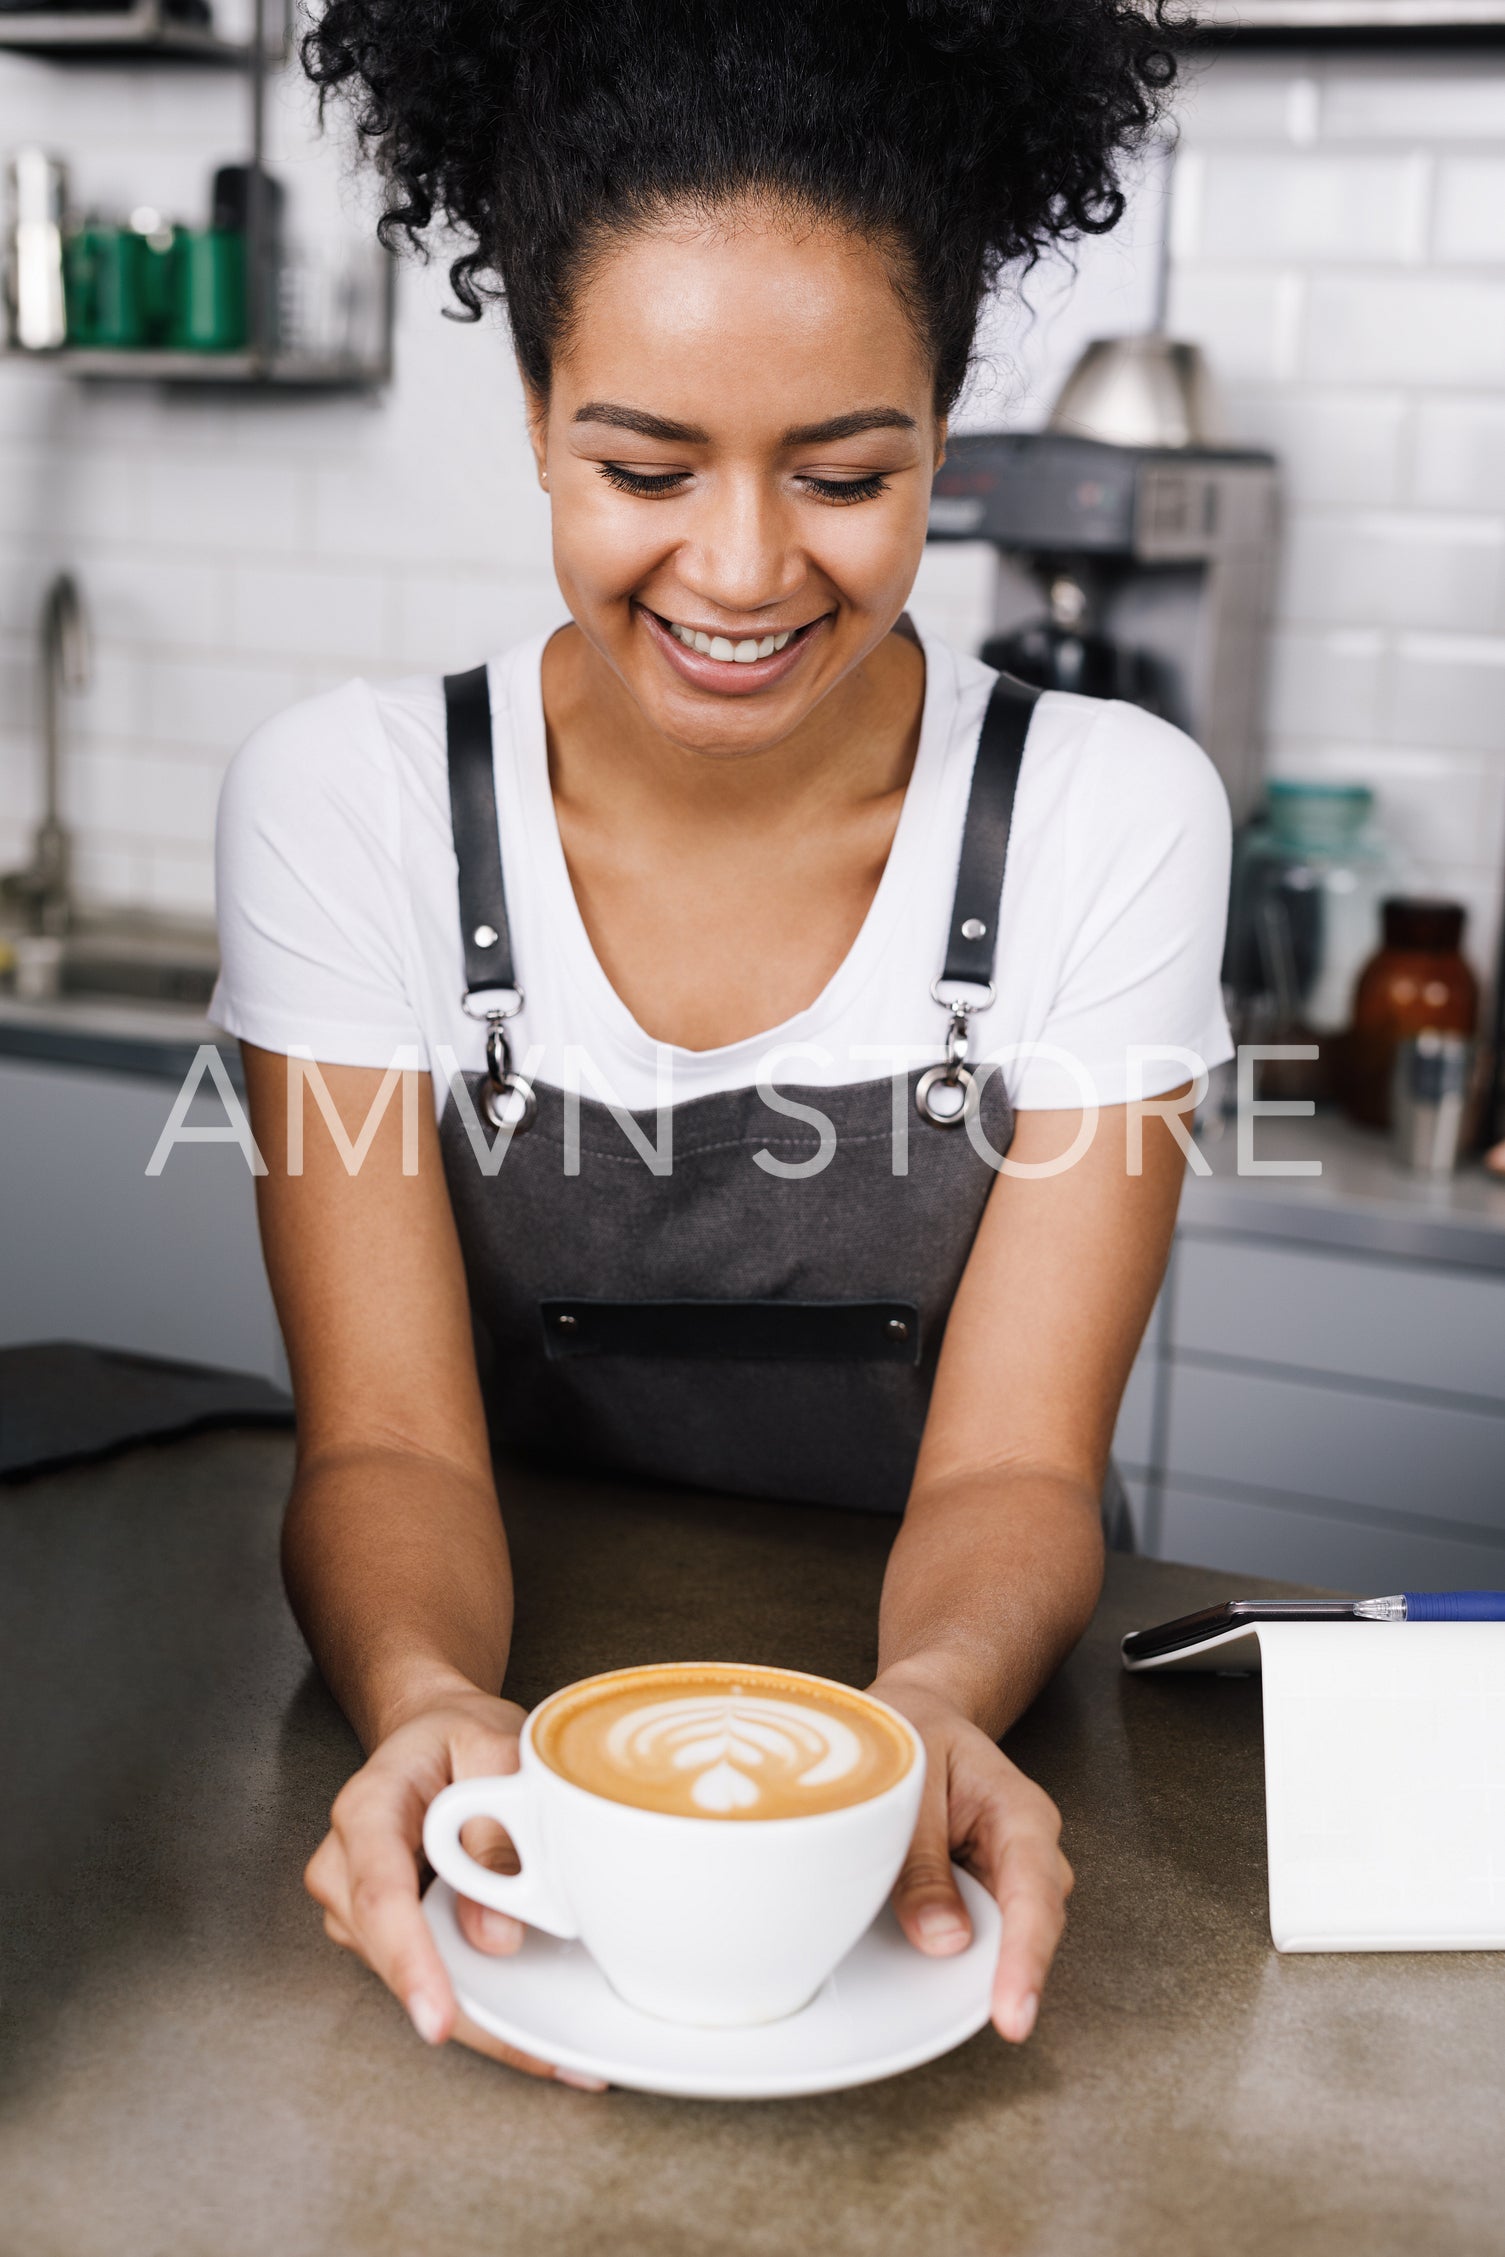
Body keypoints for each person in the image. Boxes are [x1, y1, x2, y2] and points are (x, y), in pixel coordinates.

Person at [212, 0, 1229, 2087]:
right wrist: (423, 1707)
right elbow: (387, 1447)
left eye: (849, 472)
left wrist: (933, 1709)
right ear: (531, 405)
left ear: (945, 423)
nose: (747, 568)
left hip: (965, 1718)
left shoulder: (1109, 815)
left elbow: (1024, 1465)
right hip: (520, 1730)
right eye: (644, 466)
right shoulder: (354, 805)